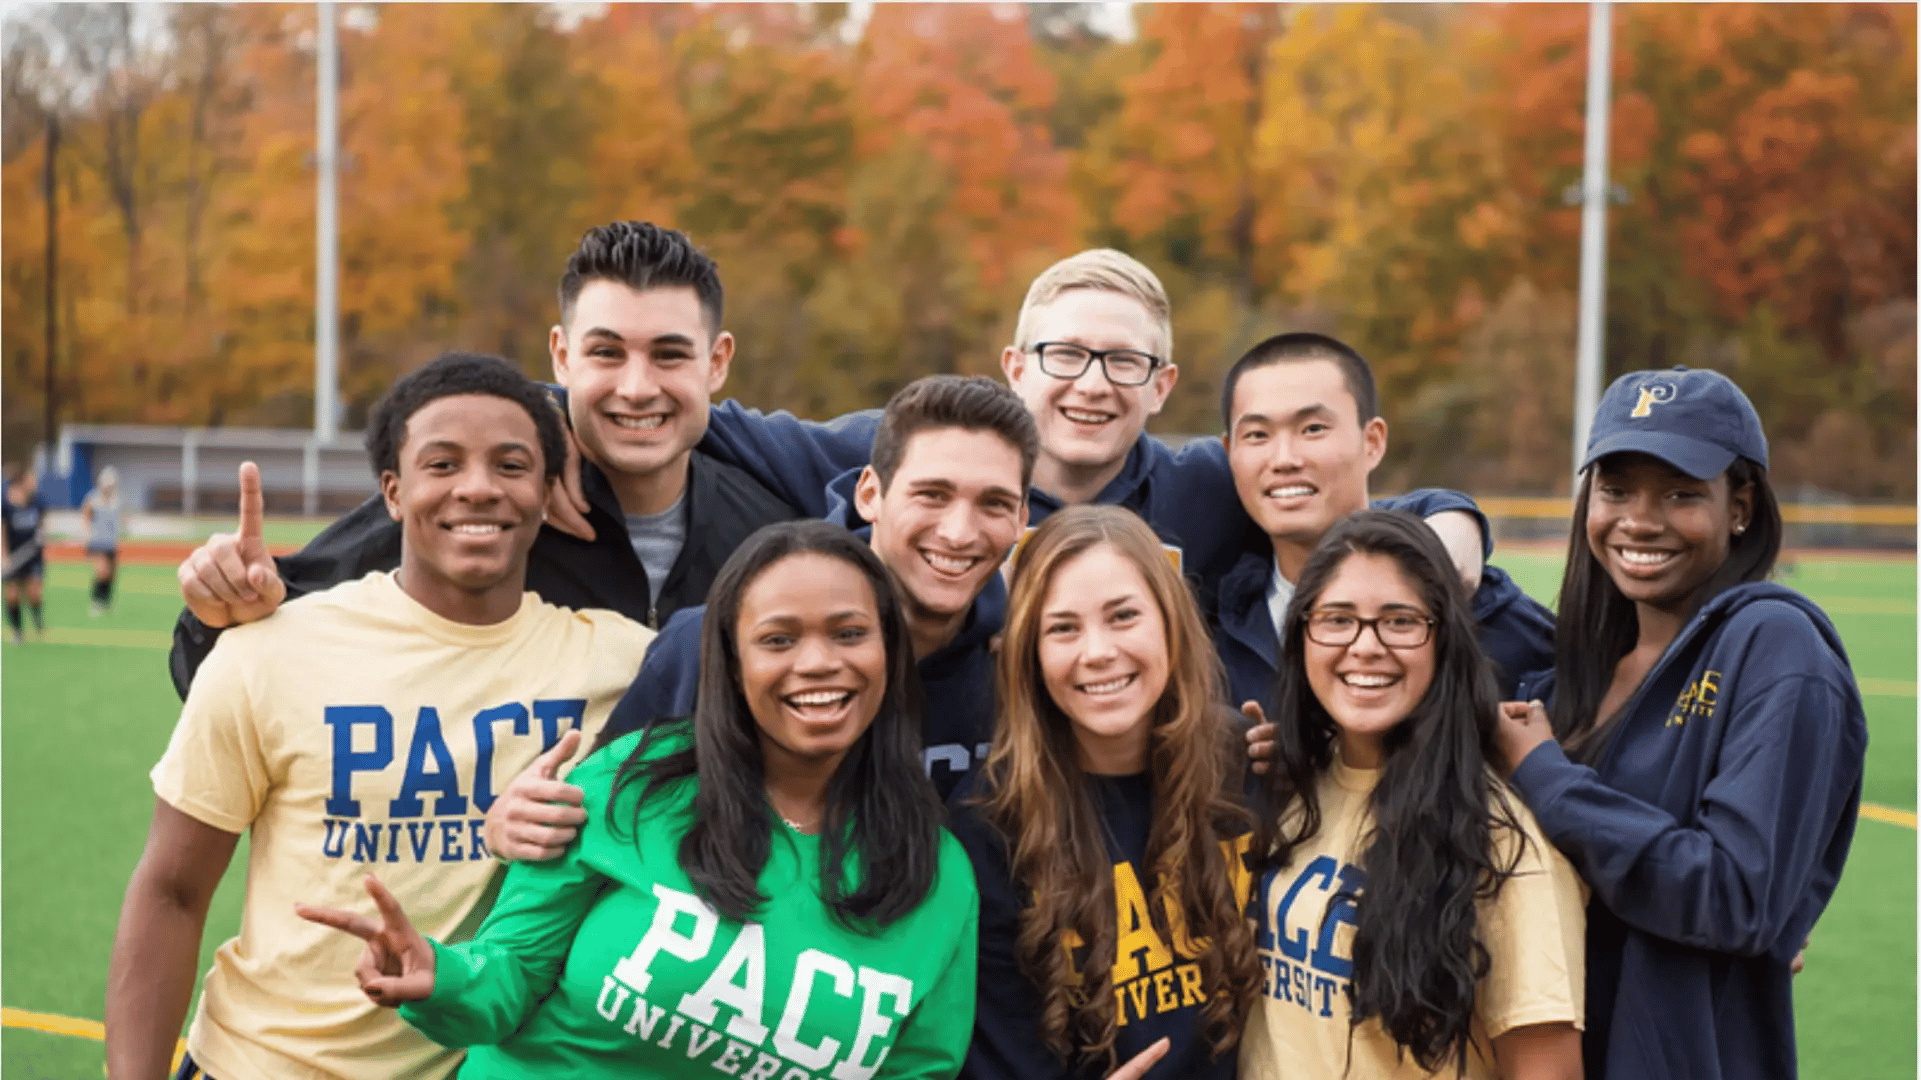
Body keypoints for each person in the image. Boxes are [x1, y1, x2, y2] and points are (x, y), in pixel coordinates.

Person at [106, 353, 655, 1080]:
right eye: (443, 464)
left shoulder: (628, 666)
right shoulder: (269, 652)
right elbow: (172, 891)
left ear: (550, 492)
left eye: (511, 465)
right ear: (393, 493)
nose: (478, 488)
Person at [299, 520, 980, 1078]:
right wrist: (441, 978)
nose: (817, 662)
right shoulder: (634, 778)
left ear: (888, 651)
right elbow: (509, 977)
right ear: (731, 664)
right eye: (777, 640)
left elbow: (917, 1072)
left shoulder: (938, 875)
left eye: (848, 633)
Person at [166, 221, 799, 696]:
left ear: (716, 363)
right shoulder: (487, 509)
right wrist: (222, 614)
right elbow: (224, 662)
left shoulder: (772, 536)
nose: (636, 387)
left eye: (669, 354)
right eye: (606, 352)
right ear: (561, 356)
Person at [485, 376, 1037, 866]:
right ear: (870, 493)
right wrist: (522, 824)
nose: (959, 532)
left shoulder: (1022, 663)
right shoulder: (718, 642)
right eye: (932, 495)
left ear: (1020, 518)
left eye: (992, 504)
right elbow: (604, 814)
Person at [1492, 366, 1867, 1080]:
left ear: (1740, 507)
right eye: (1615, 490)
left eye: (1679, 494)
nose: (1638, 519)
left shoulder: (1774, 644)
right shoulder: (1576, 671)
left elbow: (1734, 897)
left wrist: (1547, 778)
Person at [1241, 510, 1585, 1080]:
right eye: (1337, 619)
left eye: (1400, 621)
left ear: (1444, 639)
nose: (1366, 646)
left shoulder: (1504, 842)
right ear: (1302, 634)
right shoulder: (1291, 792)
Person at [947, 504, 1261, 1080]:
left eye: (1123, 617)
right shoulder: (987, 828)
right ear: (1030, 653)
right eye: (1063, 628)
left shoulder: (1247, 764)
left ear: (1169, 622)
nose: (1096, 651)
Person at [1214, 332, 1554, 716]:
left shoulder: (1483, 612)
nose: (1284, 458)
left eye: (1313, 429)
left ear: (1372, 442)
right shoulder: (1215, 632)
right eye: (1257, 435)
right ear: (1230, 453)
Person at [4, 463, 48, 643]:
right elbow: (2, 531)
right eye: (31, 478)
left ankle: (37, 618)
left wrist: (42, 535)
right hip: (13, 557)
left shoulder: (37, 503)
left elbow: (42, 524)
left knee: (33, 592)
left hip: (33, 556)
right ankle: (17, 631)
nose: (34, 482)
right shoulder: (6, 507)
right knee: (12, 595)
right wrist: (3, 556)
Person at [83, 464, 123, 616]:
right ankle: (96, 602)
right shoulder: (93, 499)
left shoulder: (116, 500)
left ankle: (106, 602)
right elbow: (86, 515)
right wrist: (88, 534)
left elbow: (119, 519)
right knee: (102, 572)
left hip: (111, 542)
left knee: (112, 575)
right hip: (97, 542)